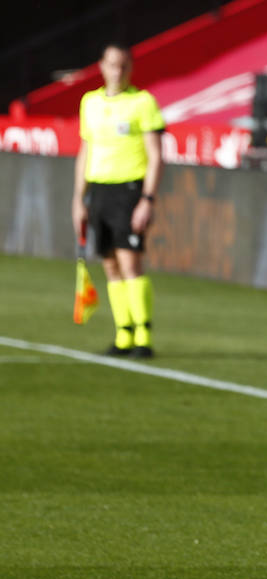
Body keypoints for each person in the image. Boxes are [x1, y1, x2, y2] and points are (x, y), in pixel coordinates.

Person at [71, 43, 164, 359]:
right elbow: (85, 151)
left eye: (123, 65)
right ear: (102, 66)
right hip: (99, 190)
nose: (118, 71)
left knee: (130, 261)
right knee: (109, 263)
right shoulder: (90, 103)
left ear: (131, 68)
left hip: (128, 191)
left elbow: (155, 155)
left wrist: (147, 199)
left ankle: (143, 333)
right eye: (112, 65)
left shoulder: (142, 102)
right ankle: (123, 332)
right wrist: (78, 198)